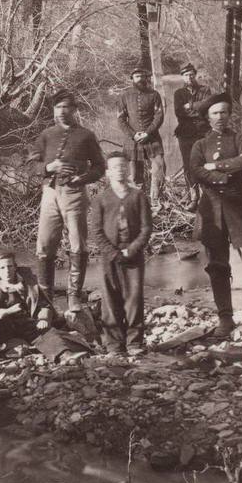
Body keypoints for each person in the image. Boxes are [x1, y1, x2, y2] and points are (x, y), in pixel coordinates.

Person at [189, 93, 242, 339]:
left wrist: (215, 167)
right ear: (208, 117)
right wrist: (223, 176)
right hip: (211, 211)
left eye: (224, 112)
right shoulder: (199, 145)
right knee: (217, 266)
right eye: (215, 113)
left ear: (230, 115)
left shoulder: (241, 138)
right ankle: (225, 318)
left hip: (239, 207)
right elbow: (195, 171)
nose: (220, 117)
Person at [26, 90, 106, 309]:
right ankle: (45, 300)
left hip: (75, 194)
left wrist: (83, 178)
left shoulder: (86, 135)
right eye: (58, 107)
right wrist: (48, 167)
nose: (62, 112)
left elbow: (100, 167)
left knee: (78, 245)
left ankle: (73, 297)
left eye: (66, 107)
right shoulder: (45, 135)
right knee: (44, 246)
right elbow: (30, 166)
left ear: (74, 110)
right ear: (53, 110)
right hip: (50, 194)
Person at [89, 152, 152, 355]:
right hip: (109, 255)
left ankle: (134, 342)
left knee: (134, 298)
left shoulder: (138, 196)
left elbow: (146, 228)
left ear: (129, 169)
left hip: (134, 255)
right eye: (115, 167)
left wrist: (132, 249)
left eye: (124, 166)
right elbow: (96, 231)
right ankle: (114, 344)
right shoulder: (100, 199)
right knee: (109, 297)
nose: (120, 170)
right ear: (107, 172)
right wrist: (113, 252)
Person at [0, 249, 54, 373]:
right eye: (2, 268)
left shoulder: (29, 282)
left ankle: (64, 355)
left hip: (27, 325)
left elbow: (44, 305)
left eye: (10, 266)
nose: (7, 271)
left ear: (15, 267)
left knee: (49, 334)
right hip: (5, 328)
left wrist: (43, 318)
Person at [117, 66, 166, 207]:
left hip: (152, 139)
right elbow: (120, 120)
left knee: (158, 169)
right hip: (132, 141)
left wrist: (148, 132)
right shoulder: (124, 96)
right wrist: (133, 134)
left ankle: (155, 201)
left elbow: (159, 116)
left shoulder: (154, 94)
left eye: (142, 76)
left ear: (146, 78)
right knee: (134, 174)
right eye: (137, 76)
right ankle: (137, 203)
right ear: (132, 79)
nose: (140, 79)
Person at [172, 63, 210, 208]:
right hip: (185, 133)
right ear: (182, 77)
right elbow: (179, 112)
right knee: (188, 165)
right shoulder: (179, 94)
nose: (189, 77)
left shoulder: (205, 89)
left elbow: (208, 106)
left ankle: (207, 196)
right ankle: (193, 197)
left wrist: (191, 106)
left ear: (196, 75)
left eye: (192, 74)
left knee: (205, 164)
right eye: (186, 75)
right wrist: (198, 109)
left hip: (203, 132)